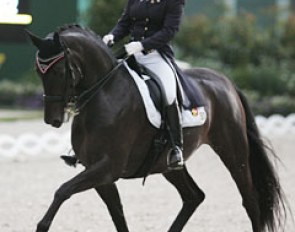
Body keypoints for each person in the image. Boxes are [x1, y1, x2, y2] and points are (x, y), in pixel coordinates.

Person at [103, 0, 186, 170]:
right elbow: (125, 23)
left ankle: (175, 147)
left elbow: (169, 31)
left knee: (169, 94)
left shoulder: (173, 2)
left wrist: (143, 45)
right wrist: (113, 35)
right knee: (105, 82)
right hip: (131, 53)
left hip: (156, 56)